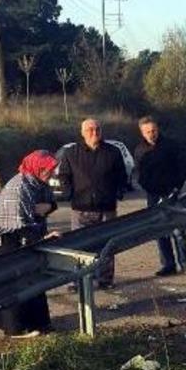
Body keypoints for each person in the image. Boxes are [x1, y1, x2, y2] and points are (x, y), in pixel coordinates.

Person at [0, 150, 60, 337]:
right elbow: (20, 225)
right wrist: (43, 239)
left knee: (35, 278)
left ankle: (41, 324)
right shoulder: (19, 187)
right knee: (14, 283)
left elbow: (51, 203)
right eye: (48, 170)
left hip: (28, 235)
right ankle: (15, 329)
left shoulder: (39, 183)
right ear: (38, 168)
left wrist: (48, 207)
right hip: (9, 239)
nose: (52, 174)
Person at [57, 118, 128, 289]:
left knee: (107, 246)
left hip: (107, 208)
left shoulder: (112, 152)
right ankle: (78, 280)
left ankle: (105, 279)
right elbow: (64, 175)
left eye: (97, 129)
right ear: (82, 133)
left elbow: (122, 175)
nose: (94, 133)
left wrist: (118, 192)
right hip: (81, 208)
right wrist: (69, 194)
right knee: (80, 248)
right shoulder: (71, 153)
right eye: (89, 130)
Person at [134, 116, 186, 276]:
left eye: (153, 131)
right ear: (142, 133)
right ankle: (168, 265)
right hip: (153, 196)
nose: (151, 134)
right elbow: (140, 176)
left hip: (172, 193)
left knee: (178, 230)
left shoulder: (171, 146)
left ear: (158, 130)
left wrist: (176, 188)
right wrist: (150, 189)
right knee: (160, 231)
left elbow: (184, 167)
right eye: (147, 132)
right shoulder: (140, 150)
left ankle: (185, 263)